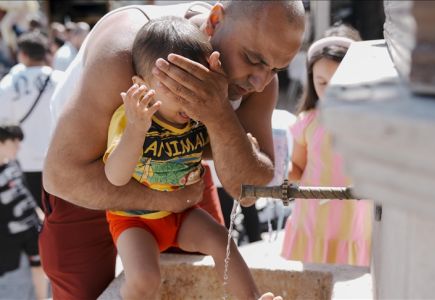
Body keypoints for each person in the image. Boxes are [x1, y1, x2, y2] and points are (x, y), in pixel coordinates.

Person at [42, 1, 305, 299]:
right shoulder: (123, 53)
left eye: (276, 68)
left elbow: (247, 191)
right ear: (215, 20)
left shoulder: (260, 80)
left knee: (204, 278)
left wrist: (218, 114)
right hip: (88, 183)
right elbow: (60, 177)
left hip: (180, 177)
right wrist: (164, 199)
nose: (260, 82)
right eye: (252, 58)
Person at [104, 16, 266, 299]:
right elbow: (115, 177)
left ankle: (252, 297)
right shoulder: (132, 118)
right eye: (173, 86)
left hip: (183, 214)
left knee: (221, 240)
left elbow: (218, 149)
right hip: (134, 220)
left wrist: (243, 145)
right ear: (141, 84)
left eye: (193, 85)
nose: (185, 97)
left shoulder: (200, 116)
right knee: (145, 279)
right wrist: (135, 130)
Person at [281, 24, 373, 266]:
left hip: (355, 223)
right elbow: (297, 170)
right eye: (322, 83)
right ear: (312, 80)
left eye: (340, 83)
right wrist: (274, 160)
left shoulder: (372, 122)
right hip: (313, 220)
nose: (330, 92)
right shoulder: (308, 121)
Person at [0, 31, 63, 210]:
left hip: (23, 159)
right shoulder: (61, 79)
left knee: (34, 215)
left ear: (23, 54)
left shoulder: (9, 83)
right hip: (58, 159)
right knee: (56, 213)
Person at [0, 124, 47, 300]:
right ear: (2, 142)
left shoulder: (14, 163)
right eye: (15, 142)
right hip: (7, 235)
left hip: (30, 229)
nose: (19, 147)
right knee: (9, 273)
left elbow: (25, 191)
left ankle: (41, 298)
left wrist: (38, 213)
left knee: (39, 264)